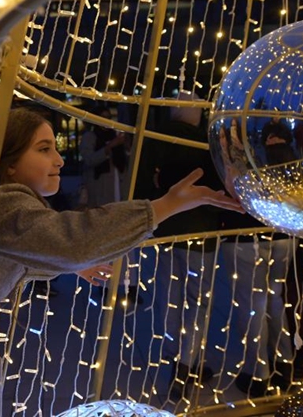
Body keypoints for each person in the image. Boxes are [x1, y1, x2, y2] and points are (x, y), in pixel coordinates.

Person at [0, 107, 243, 416]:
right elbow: (70, 238)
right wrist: (166, 205)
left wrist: (75, 265)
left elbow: (23, 253)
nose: (59, 159)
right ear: (7, 163)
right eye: (43, 149)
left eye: (55, 148)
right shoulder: (4, 202)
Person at [135, 92, 222, 403]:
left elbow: (142, 183)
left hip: (164, 227)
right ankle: (187, 365)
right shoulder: (205, 142)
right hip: (201, 231)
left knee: (168, 297)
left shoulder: (153, 138)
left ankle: (179, 359)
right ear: (192, 112)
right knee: (196, 301)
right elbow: (219, 185)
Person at [219, 121, 294, 398]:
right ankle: (284, 363)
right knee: (274, 299)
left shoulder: (234, 156)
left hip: (245, 236)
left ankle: (258, 373)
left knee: (253, 305)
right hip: (282, 234)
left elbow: (232, 192)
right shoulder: (286, 154)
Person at [79, 105, 128, 207]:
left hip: (117, 182)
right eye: (103, 118)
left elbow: (123, 160)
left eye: (108, 118)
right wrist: (109, 147)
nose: (106, 121)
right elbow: (89, 160)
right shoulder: (90, 137)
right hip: (100, 186)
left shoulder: (113, 134)